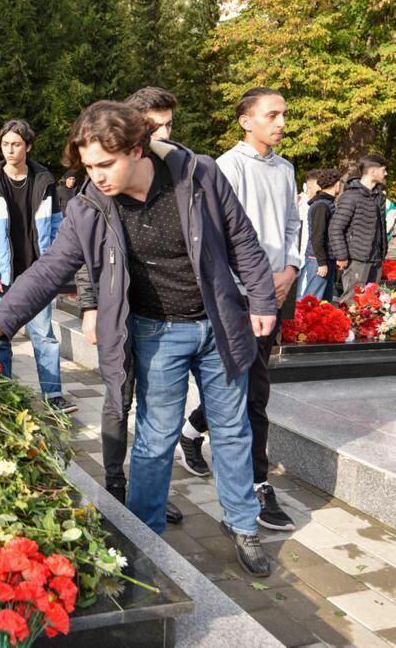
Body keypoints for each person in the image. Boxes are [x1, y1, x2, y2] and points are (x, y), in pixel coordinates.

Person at [0, 101, 277, 577]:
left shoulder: (200, 175)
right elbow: (49, 269)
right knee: (154, 436)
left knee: (232, 430)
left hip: (219, 325)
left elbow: (242, 239)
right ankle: (146, 533)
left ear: (137, 148)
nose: (98, 176)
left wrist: (261, 301)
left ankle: (243, 525)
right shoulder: (92, 204)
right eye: (89, 166)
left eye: (106, 165)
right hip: (156, 332)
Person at [179, 87, 301, 532]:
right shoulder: (226, 167)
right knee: (253, 391)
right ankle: (256, 486)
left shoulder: (286, 168)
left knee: (248, 383)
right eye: (272, 115)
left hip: (275, 290)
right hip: (238, 295)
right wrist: (250, 285)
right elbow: (220, 234)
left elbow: (292, 225)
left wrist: (289, 267)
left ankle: (193, 430)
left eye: (284, 114)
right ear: (246, 120)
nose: (282, 122)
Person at [77, 86, 184, 523]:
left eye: (169, 126)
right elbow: (84, 252)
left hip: (161, 316)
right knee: (119, 398)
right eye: (156, 126)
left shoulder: (174, 172)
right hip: (118, 312)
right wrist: (90, 306)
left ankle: (148, 489)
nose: (165, 135)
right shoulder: (101, 178)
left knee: (158, 410)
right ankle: (115, 480)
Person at [0, 118, 75, 414]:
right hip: (2, 276)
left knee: (44, 336)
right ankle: (4, 394)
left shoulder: (44, 180)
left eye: (16, 144)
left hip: (38, 275)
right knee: (1, 338)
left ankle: (53, 396)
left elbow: (57, 229)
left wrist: (59, 274)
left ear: (28, 146)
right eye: (5, 144)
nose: (10, 150)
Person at [330, 154, 389, 303]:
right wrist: (341, 256)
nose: (386, 173)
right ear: (373, 171)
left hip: (375, 259)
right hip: (357, 260)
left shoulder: (379, 196)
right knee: (352, 302)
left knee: (370, 306)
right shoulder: (351, 196)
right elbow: (336, 228)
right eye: (384, 170)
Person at [298, 168, 342, 301]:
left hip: (325, 258)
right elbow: (317, 237)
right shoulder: (322, 206)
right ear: (336, 184)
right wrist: (322, 262)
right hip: (318, 259)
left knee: (323, 301)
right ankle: (302, 322)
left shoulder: (327, 204)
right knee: (312, 300)